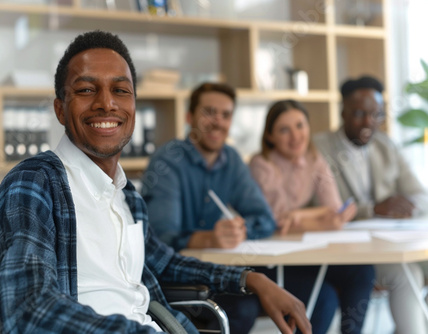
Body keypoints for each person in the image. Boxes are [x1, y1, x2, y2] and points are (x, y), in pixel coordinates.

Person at [0, 30, 311, 334]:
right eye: (87, 89)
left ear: (133, 106)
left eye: (120, 90)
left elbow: (165, 262)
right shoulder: (34, 183)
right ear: (60, 109)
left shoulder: (127, 195)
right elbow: (29, 310)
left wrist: (251, 280)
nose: (107, 103)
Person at [142, 82, 344, 334]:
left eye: (225, 115)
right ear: (189, 117)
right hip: (183, 277)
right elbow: (161, 240)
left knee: (323, 296)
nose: (218, 121)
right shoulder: (168, 161)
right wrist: (207, 238)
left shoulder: (232, 160)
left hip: (224, 270)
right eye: (209, 112)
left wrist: (238, 230)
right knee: (243, 307)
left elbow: (265, 220)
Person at [249, 99, 375, 334]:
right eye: (284, 129)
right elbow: (276, 223)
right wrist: (318, 217)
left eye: (300, 126)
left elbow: (335, 212)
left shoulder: (314, 160)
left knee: (362, 270)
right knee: (324, 298)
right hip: (270, 260)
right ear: (270, 136)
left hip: (301, 255)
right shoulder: (262, 165)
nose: (295, 136)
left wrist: (299, 216)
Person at [314, 75, 428, 334]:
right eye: (359, 113)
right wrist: (375, 209)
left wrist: (406, 205)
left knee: (411, 270)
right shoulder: (320, 148)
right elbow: (323, 211)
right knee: (404, 273)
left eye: (377, 114)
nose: (369, 122)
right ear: (342, 112)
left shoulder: (385, 146)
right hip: (345, 256)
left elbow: (421, 196)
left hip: (387, 247)